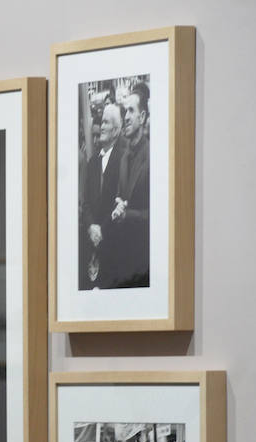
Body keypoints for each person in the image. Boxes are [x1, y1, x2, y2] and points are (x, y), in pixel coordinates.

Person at [81, 101, 125, 289]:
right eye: (102, 122)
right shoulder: (92, 163)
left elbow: (120, 199)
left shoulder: (124, 159)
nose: (103, 127)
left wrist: (102, 230)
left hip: (113, 242)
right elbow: (87, 203)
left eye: (107, 123)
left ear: (116, 131)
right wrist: (91, 226)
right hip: (91, 241)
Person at [112, 81, 151, 287]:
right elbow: (120, 196)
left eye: (130, 111)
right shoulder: (124, 157)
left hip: (145, 264)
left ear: (142, 117)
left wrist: (129, 215)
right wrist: (117, 206)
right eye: (124, 111)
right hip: (124, 258)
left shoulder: (153, 156)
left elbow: (159, 216)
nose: (125, 117)